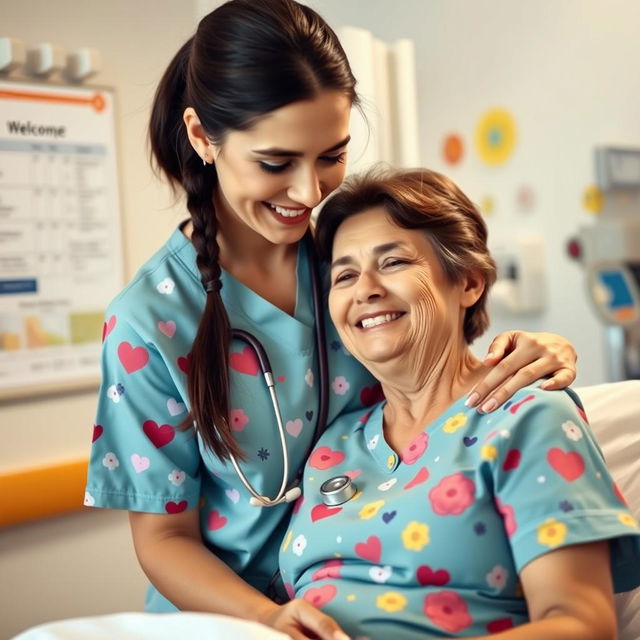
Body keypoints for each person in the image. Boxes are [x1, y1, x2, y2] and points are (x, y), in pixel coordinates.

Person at [85, 1, 579, 638]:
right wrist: (271, 617)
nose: (309, 192)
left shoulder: (350, 265)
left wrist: (538, 352)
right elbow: (163, 539)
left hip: (371, 592)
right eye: (275, 163)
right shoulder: (149, 320)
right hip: (235, 618)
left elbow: (441, 384)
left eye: (331, 156)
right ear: (204, 137)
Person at [279, 167, 640, 640]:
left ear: (468, 283)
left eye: (393, 263)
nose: (365, 288)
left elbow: (581, 626)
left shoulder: (527, 418)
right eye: (344, 274)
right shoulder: (333, 444)